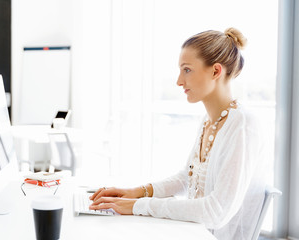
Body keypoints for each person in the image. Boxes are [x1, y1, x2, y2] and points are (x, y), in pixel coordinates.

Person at [89, 28, 266, 240]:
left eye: (187, 70)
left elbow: (216, 212)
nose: (179, 81)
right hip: (191, 231)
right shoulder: (209, 121)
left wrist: (138, 205)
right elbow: (187, 179)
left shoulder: (243, 125)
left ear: (216, 71)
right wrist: (136, 192)